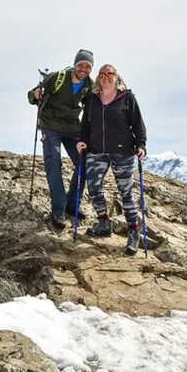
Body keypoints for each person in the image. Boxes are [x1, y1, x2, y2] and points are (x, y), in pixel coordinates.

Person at [76, 64, 147, 255]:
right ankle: (104, 223)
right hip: (96, 150)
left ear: (117, 78)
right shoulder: (92, 100)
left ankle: (133, 233)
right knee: (93, 187)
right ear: (98, 78)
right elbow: (86, 125)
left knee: (126, 193)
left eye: (110, 74)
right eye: (102, 74)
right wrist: (82, 141)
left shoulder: (127, 98)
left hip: (122, 152)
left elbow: (138, 125)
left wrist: (141, 146)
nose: (106, 77)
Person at [27, 49, 94, 229]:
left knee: (85, 162)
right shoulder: (58, 78)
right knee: (54, 162)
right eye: (81, 65)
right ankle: (59, 209)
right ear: (75, 65)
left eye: (88, 66)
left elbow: (91, 109)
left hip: (73, 128)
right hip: (50, 127)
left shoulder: (89, 84)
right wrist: (35, 95)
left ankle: (72, 205)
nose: (84, 69)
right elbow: (31, 96)